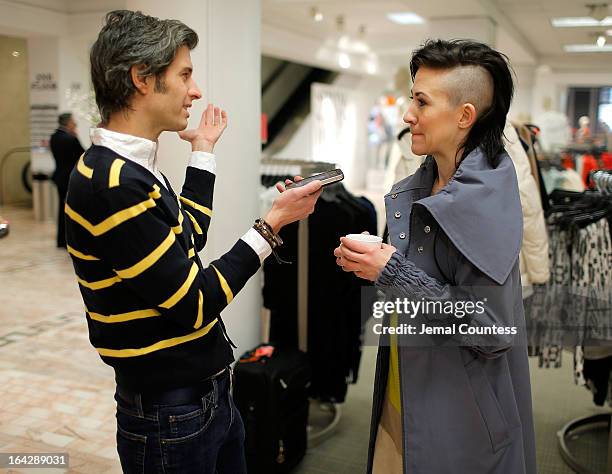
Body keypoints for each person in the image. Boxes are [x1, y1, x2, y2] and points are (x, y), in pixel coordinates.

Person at [65, 10, 322, 474]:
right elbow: (193, 302)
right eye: (184, 74)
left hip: (200, 395)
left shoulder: (132, 169)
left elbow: (187, 238)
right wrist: (271, 227)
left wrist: (202, 150)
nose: (196, 90)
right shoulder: (110, 182)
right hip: (169, 412)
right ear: (142, 78)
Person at [334, 39, 537, 474]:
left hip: (458, 418)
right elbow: (418, 281)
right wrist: (373, 266)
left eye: (421, 102)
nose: (408, 115)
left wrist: (393, 271)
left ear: (465, 116)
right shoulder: (424, 184)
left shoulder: (481, 204)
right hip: (405, 389)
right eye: (412, 98)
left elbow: (492, 331)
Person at [49, 112, 84, 247]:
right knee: (71, 210)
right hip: (70, 179)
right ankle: (70, 240)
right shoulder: (70, 139)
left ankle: (61, 239)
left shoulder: (54, 137)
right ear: (68, 123)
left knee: (61, 209)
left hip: (59, 177)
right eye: (73, 122)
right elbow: (82, 155)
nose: (75, 124)